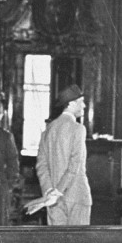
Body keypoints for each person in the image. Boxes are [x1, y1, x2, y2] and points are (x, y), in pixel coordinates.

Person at [36, 84, 92, 225]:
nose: (84, 106)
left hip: (53, 201)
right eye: (81, 102)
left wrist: (50, 191)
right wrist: (58, 191)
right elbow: (75, 165)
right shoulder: (78, 129)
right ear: (72, 104)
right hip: (77, 197)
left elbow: (41, 166)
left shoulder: (48, 130)